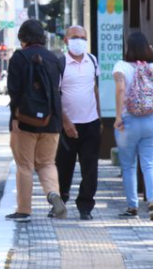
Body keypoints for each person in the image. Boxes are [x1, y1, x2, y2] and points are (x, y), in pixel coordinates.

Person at [5, 19, 67, 222]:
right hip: (52, 122)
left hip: (24, 121)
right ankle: (53, 194)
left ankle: (24, 210)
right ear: (43, 38)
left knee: (25, 165)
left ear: (22, 38)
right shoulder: (54, 59)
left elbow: (14, 92)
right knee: (47, 163)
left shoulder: (19, 58)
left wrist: (15, 118)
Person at [113, 32, 153, 221]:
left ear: (128, 48)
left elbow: (120, 88)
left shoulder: (121, 66)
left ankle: (132, 206)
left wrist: (118, 117)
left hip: (129, 122)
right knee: (151, 164)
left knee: (128, 166)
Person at [56, 25, 101, 220]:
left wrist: (99, 116)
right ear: (66, 40)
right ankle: (60, 203)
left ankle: (86, 206)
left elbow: (95, 89)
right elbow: (55, 96)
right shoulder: (60, 63)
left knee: (90, 168)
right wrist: (65, 122)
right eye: (75, 37)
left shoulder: (92, 60)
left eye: (83, 37)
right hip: (67, 125)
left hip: (90, 123)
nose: (79, 40)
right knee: (63, 167)